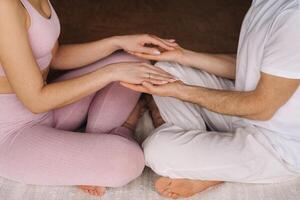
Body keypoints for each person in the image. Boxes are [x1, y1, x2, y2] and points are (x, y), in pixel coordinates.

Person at [122, 0, 300, 198]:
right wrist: (183, 56)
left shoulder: (294, 17)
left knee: (156, 151)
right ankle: (208, 161)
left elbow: (261, 107)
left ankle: (208, 165)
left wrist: (181, 91)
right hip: (244, 114)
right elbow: (249, 65)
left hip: (277, 147)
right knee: (167, 71)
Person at [0, 0, 178, 197]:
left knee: (135, 62)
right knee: (127, 161)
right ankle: (120, 132)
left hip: (47, 110)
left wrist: (116, 42)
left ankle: (91, 152)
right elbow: (36, 101)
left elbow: (55, 56)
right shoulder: (5, 6)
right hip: (11, 133)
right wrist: (111, 73)